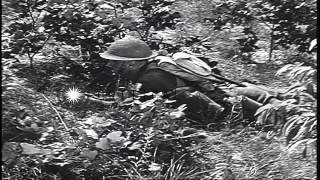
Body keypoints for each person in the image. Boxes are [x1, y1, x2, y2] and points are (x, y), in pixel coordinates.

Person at [99, 36, 285, 126]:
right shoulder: (155, 66)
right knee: (284, 102)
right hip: (227, 91)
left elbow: (138, 111)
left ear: (131, 64)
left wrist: (99, 104)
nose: (110, 66)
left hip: (231, 103)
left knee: (284, 118)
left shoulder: (151, 79)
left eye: (115, 63)